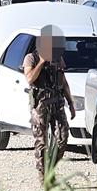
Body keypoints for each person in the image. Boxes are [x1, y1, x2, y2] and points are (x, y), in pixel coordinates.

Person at [22, 26, 76, 177]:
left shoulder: (58, 58)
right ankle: (43, 176)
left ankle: (50, 168)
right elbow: (30, 78)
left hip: (57, 104)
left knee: (62, 139)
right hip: (40, 105)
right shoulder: (31, 58)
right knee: (42, 143)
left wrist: (70, 103)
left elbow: (63, 81)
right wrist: (41, 62)